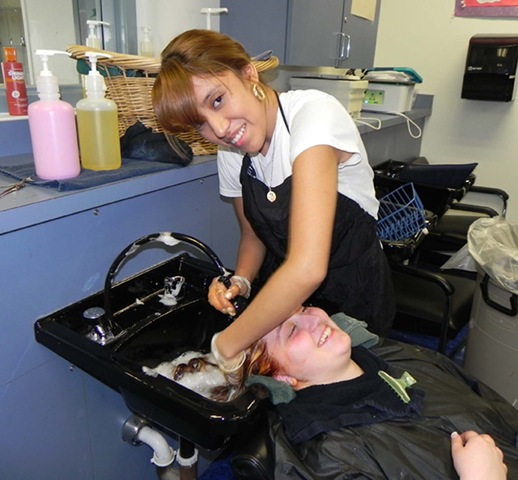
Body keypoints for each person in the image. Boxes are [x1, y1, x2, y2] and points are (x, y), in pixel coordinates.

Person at [152, 29, 395, 371]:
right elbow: (253, 234)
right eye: (200, 125)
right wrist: (242, 279)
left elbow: (307, 268)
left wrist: (224, 346)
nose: (219, 130)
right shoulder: (232, 150)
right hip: (287, 310)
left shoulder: (313, 117)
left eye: (217, 100)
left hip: (353, 297)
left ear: (248, 73)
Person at [236, 306, 516, 479]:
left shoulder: (399, 357)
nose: (315, 319)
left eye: (304, 308)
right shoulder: (332, 459)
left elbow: (491, 406)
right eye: (291, 330)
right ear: (282, 378)